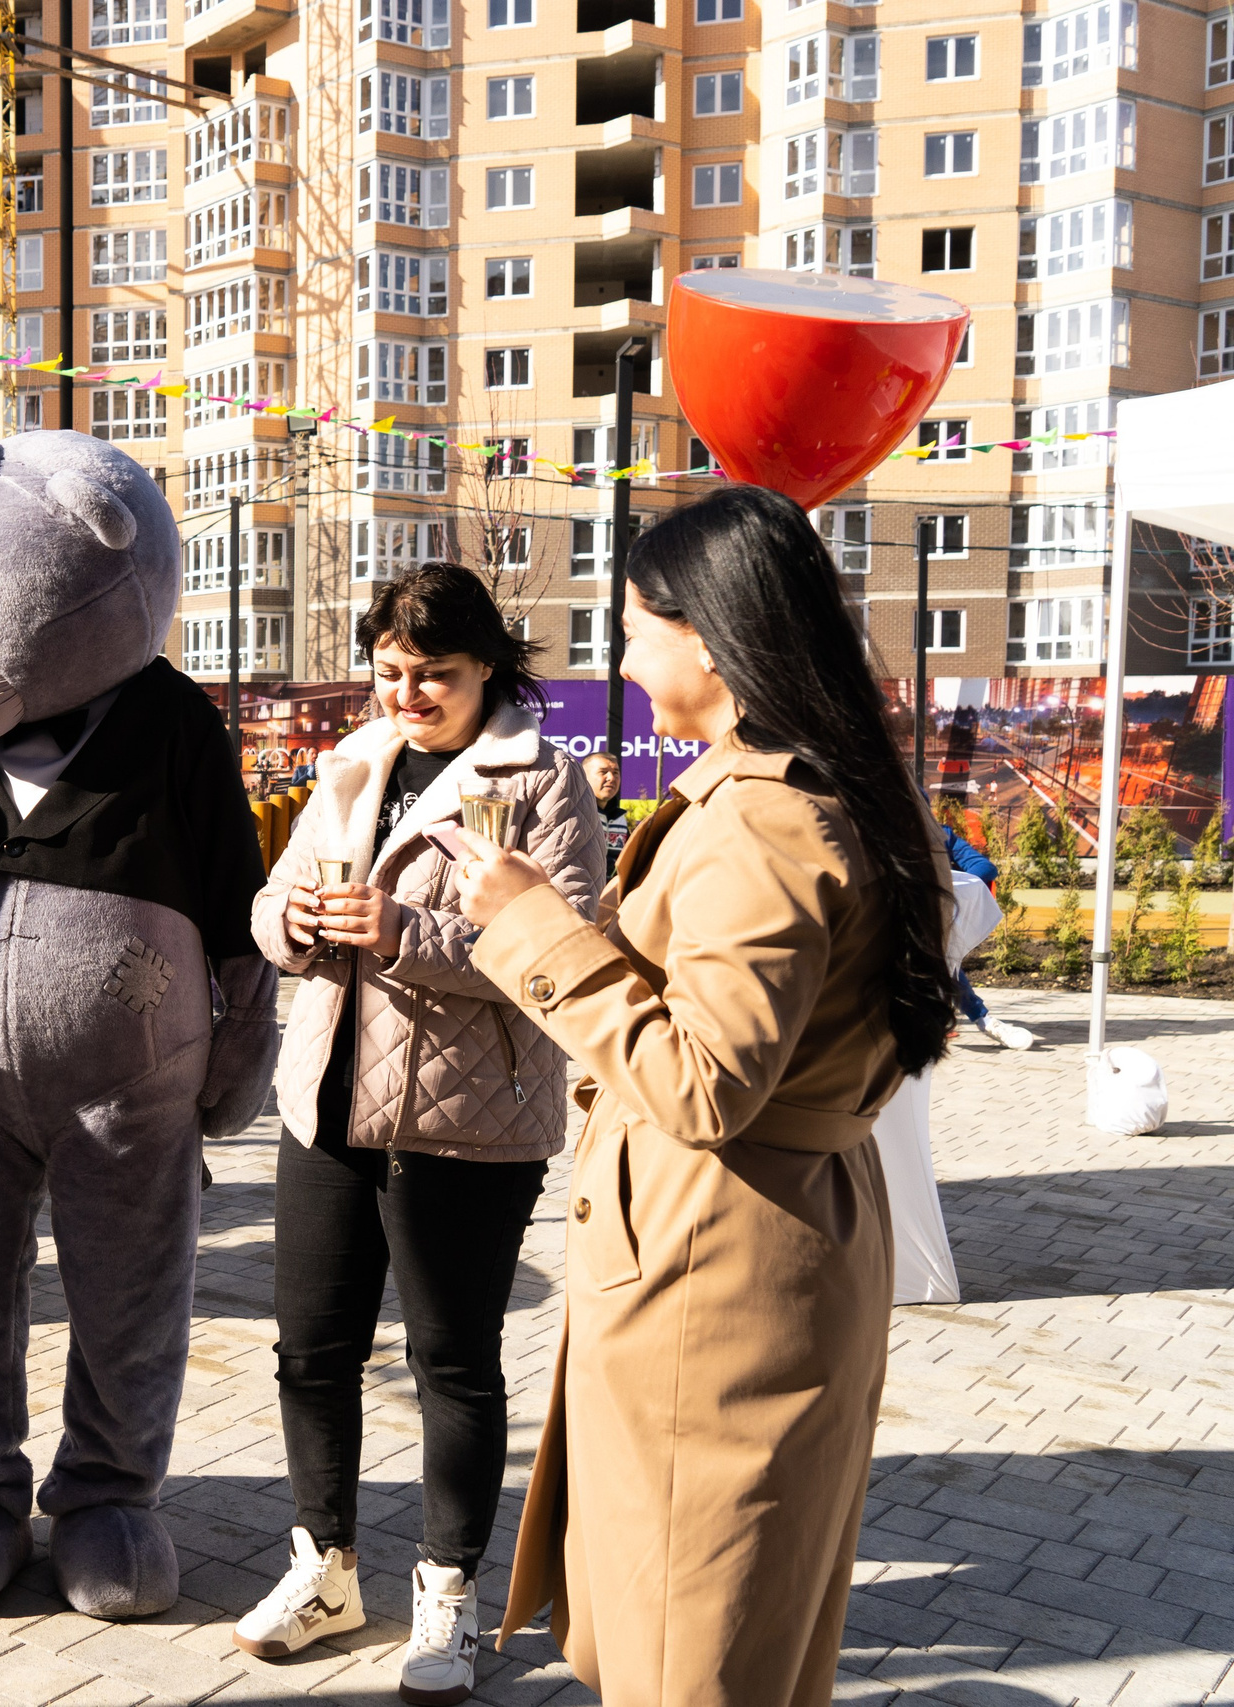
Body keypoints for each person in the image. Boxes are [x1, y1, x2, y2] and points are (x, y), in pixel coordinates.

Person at [448, 485, 957, 1707]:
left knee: (698, 1639)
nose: (616, 656)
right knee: (739, 1622)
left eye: (631, 627)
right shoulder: (819, 790)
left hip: (718, 1261)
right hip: (769, 1232)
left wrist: (530, 929)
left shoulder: (761, 822)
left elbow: (706, 1079)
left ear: (710, 639)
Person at [236, 563, 604, 1702]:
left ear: (486, 664)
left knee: (452, 1365)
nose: (404, 694)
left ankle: (447, 1592)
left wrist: (403, 932)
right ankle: (323, 1565)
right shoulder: (355, 762)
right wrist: (290, 923)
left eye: (431, 676)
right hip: (327, 1100)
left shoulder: (545, 780)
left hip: (468, 1119)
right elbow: (269, 905)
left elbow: (567, 945)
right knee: (311, 1354)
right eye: (388, 672)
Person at [939, 819, 1034, 1049]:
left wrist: (950, 885)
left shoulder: (941, 833)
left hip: (929, 919)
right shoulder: (875, 831)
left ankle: (983, 1020)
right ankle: (978, 1018)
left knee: (944, 956)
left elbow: (984, 867)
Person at [581, 751, 629, 876]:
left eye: (615, 772)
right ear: (584, 777)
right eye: (603, 772)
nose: (611, 778)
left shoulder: (621, 818)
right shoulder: (573, 814)